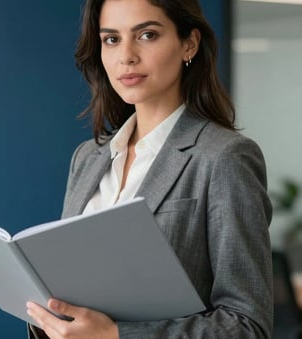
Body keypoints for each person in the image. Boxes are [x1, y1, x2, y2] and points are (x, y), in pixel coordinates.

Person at [26, 0, 273, 338]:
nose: (126, 55)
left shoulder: (224, 157)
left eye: (147, 35)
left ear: (189, 43)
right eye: (111, 39)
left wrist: (115, 335)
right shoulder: (87, 158)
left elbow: (248, 327)